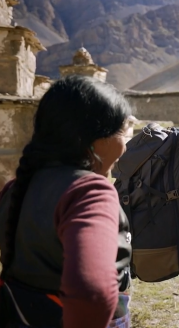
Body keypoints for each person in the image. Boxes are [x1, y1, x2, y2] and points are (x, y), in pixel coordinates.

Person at [0, 75, 132, 328]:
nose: (124, 145)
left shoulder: (16, 189)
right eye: (121, 133)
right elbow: (92, 294)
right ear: (96, 139)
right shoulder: (89, 193)